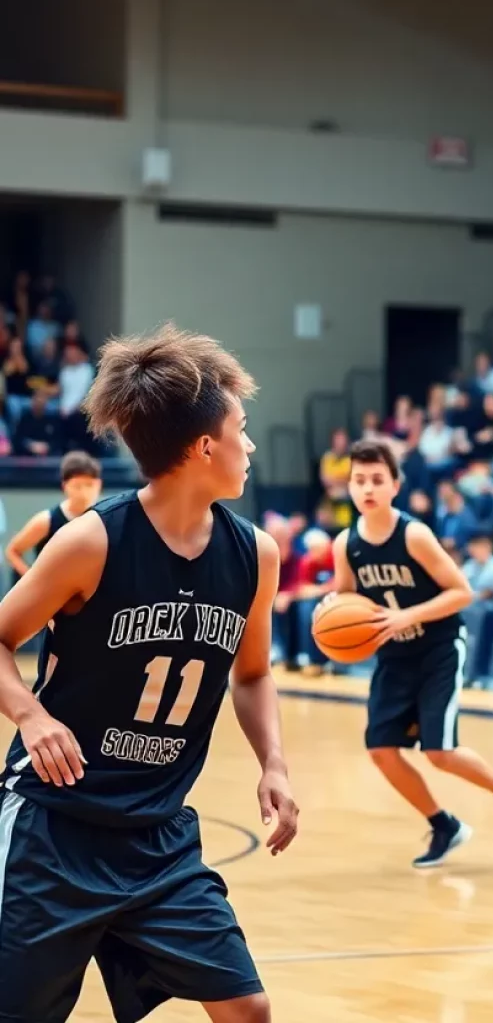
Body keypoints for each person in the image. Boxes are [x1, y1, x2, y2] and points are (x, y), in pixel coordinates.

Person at [0, 326, 298, 1023]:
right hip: (56, 830)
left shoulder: (255, 555)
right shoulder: (88, 543)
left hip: (158, 836)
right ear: (203, 448)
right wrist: (31, 716)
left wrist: (274, 764)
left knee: (246, 1008)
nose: (249, 446)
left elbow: (250, 676)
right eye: (242, 430)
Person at [323, 438, 493, 868]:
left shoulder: (414, 535)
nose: (367, 489)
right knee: (381, 749)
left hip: (439, 647)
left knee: (439, 751)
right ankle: (444, 825)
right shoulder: (345, 544)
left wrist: (409, 616)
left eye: (377, 480)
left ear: (395, 486)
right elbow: (348, 597)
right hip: (394, 656)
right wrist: (332, 606)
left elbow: (462, 592)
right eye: (359, 481)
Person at [4, 451, 103, 579]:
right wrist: (32, 580)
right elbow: (13, 551)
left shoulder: (103, 518)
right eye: (77, 486)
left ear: (99, 484)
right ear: (65, 486)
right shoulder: (46, 521)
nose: (84, 493)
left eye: (89, 485)